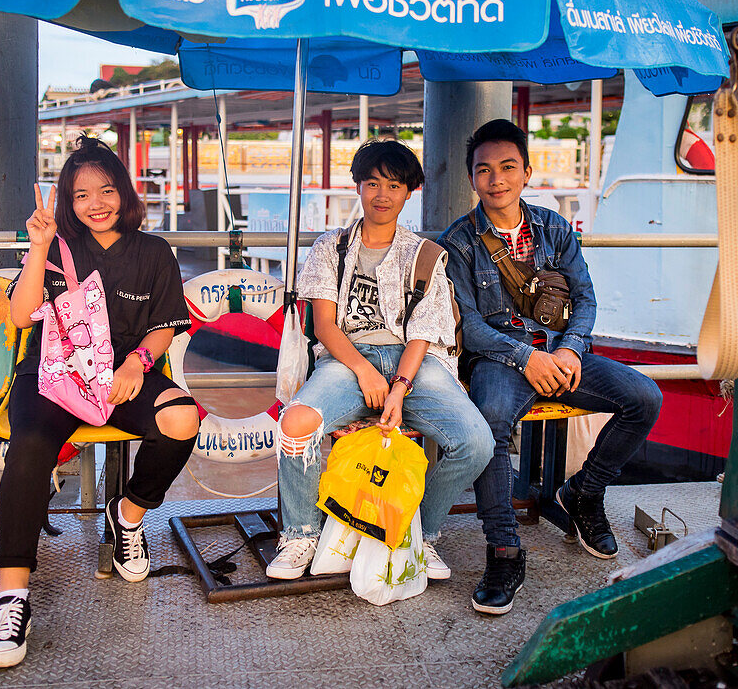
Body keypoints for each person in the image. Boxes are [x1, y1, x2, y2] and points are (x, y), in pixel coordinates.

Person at [0, 136, 198, 669]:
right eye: (81, 195)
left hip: (124, 373)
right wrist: (37, 247)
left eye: (106, 190)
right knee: (29, 446)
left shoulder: (154, 253)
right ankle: (13, 597)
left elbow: (163, 329)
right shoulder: (55, 246)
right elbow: (19, 314)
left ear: (124, 192)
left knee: (181, 418)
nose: (96, 203)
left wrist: (136, 365)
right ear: (67, 202)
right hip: (54, 375)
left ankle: (127, 515)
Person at [439, 119, 662, 615]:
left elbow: (584, 299)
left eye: (507, 167)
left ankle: (583, 493)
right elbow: (469, 326)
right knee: (490, 425)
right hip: (500, 358)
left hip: (561, 353)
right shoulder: (459, 242)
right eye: (484, 170)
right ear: (472, 179)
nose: (496, 179)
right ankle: (504, 550)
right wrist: (527, 356)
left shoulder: (554, 228)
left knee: (644, 397)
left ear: (526, 172)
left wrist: (569, 351)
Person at [267, 139, 493, 582]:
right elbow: (326, 326)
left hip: (417, 362)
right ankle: (299, 535)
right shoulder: (330, 247)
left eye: (394, 184)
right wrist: (365, 370)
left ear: (410, 192)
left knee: (476, 442)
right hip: (349, 358)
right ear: (357, 187)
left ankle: (422, 534)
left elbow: (424, 333)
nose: (382, 194)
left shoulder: (426, 255)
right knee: (296, 423)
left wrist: (399, 388)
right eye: (372, 182)